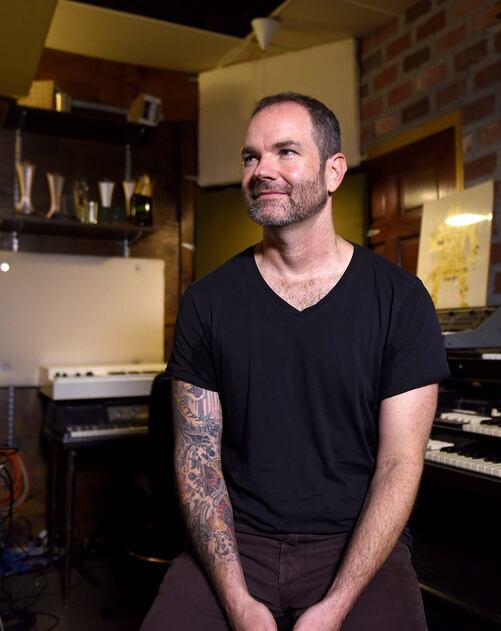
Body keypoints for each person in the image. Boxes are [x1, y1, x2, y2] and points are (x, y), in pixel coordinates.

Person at [141, 92, 449, 631]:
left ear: (333, 171)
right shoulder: (207, 302)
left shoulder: (401, 299)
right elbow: (199, 464)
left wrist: (336, 605)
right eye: (251, 157)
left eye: (286, 152)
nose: (263, 171)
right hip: (237, 545)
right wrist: (237, 601)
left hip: (356, 545)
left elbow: (400, 463)